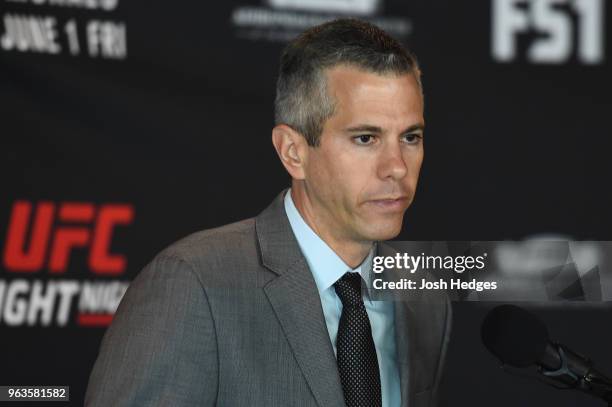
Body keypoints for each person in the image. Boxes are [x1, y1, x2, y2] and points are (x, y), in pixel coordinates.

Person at [85, 18, 451, 407]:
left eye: (411, 137)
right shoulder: (195, 283)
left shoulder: (423, 299)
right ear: (293, 152)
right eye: (365, 138)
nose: (396, 166)